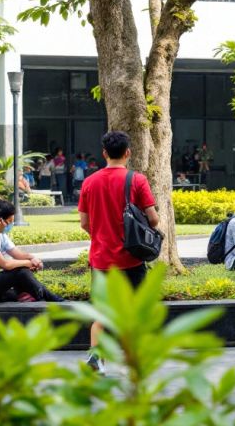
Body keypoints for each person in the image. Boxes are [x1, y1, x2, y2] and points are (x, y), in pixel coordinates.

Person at [78, 131, 160, 375]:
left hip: (101, 259)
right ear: (128, 152)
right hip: (131, 258)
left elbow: (84, 222)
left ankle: (96, 357)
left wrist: (101, 236)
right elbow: (153, 219)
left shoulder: (89, 182)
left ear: (104, 153)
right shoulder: (137, 180)